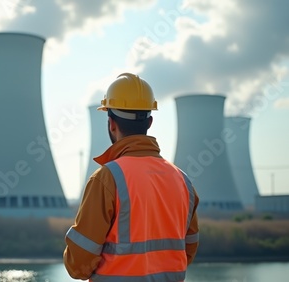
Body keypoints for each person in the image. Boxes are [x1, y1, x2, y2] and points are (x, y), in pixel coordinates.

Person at [63, 73, 200, 281]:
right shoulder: (183, 181)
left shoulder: (107, 179)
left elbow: (78, 264)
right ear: (150, 121)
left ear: (111, 123)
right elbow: (187, 250)